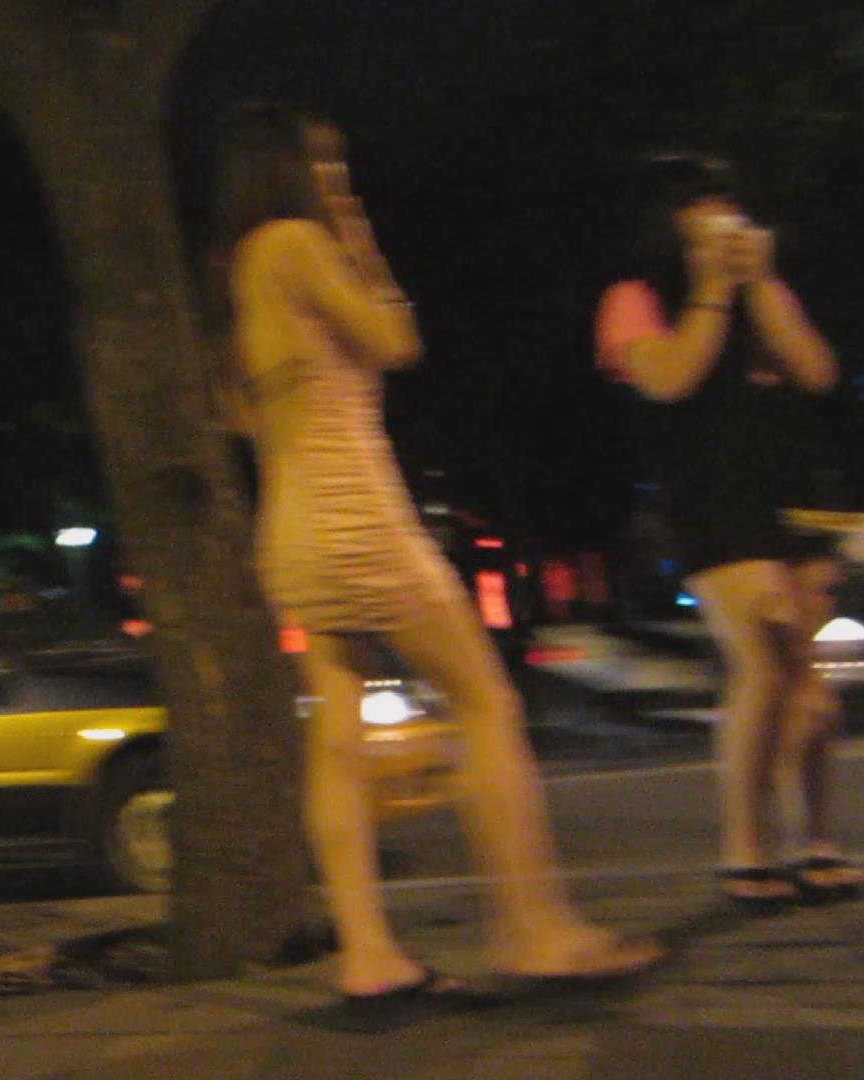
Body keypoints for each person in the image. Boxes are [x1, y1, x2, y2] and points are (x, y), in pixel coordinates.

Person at [208, 103, 660, 1017]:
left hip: (289, 524)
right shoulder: (297, 242)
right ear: (291, 171)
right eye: (327, 165)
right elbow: (395, 341)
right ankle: (533, 929)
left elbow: (238, 415)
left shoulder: (232, 276)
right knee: (485, 702)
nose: (340, 181)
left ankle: (369, 955)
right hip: (355, 513)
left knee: (338, 738)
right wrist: (361, 243)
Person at [594, 153, 864, 909]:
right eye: (700, 201)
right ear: (666, 219)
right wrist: (711, 289)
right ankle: (744, 849)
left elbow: (816, 371)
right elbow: (669, 377)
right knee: (764, 663)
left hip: (797, 492)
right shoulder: (635, 297)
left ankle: (817, 841)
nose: (720, 213)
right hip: (715, 501)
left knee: (809, 679)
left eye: (726, 199)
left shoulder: (762, 290)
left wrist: (760, 284)